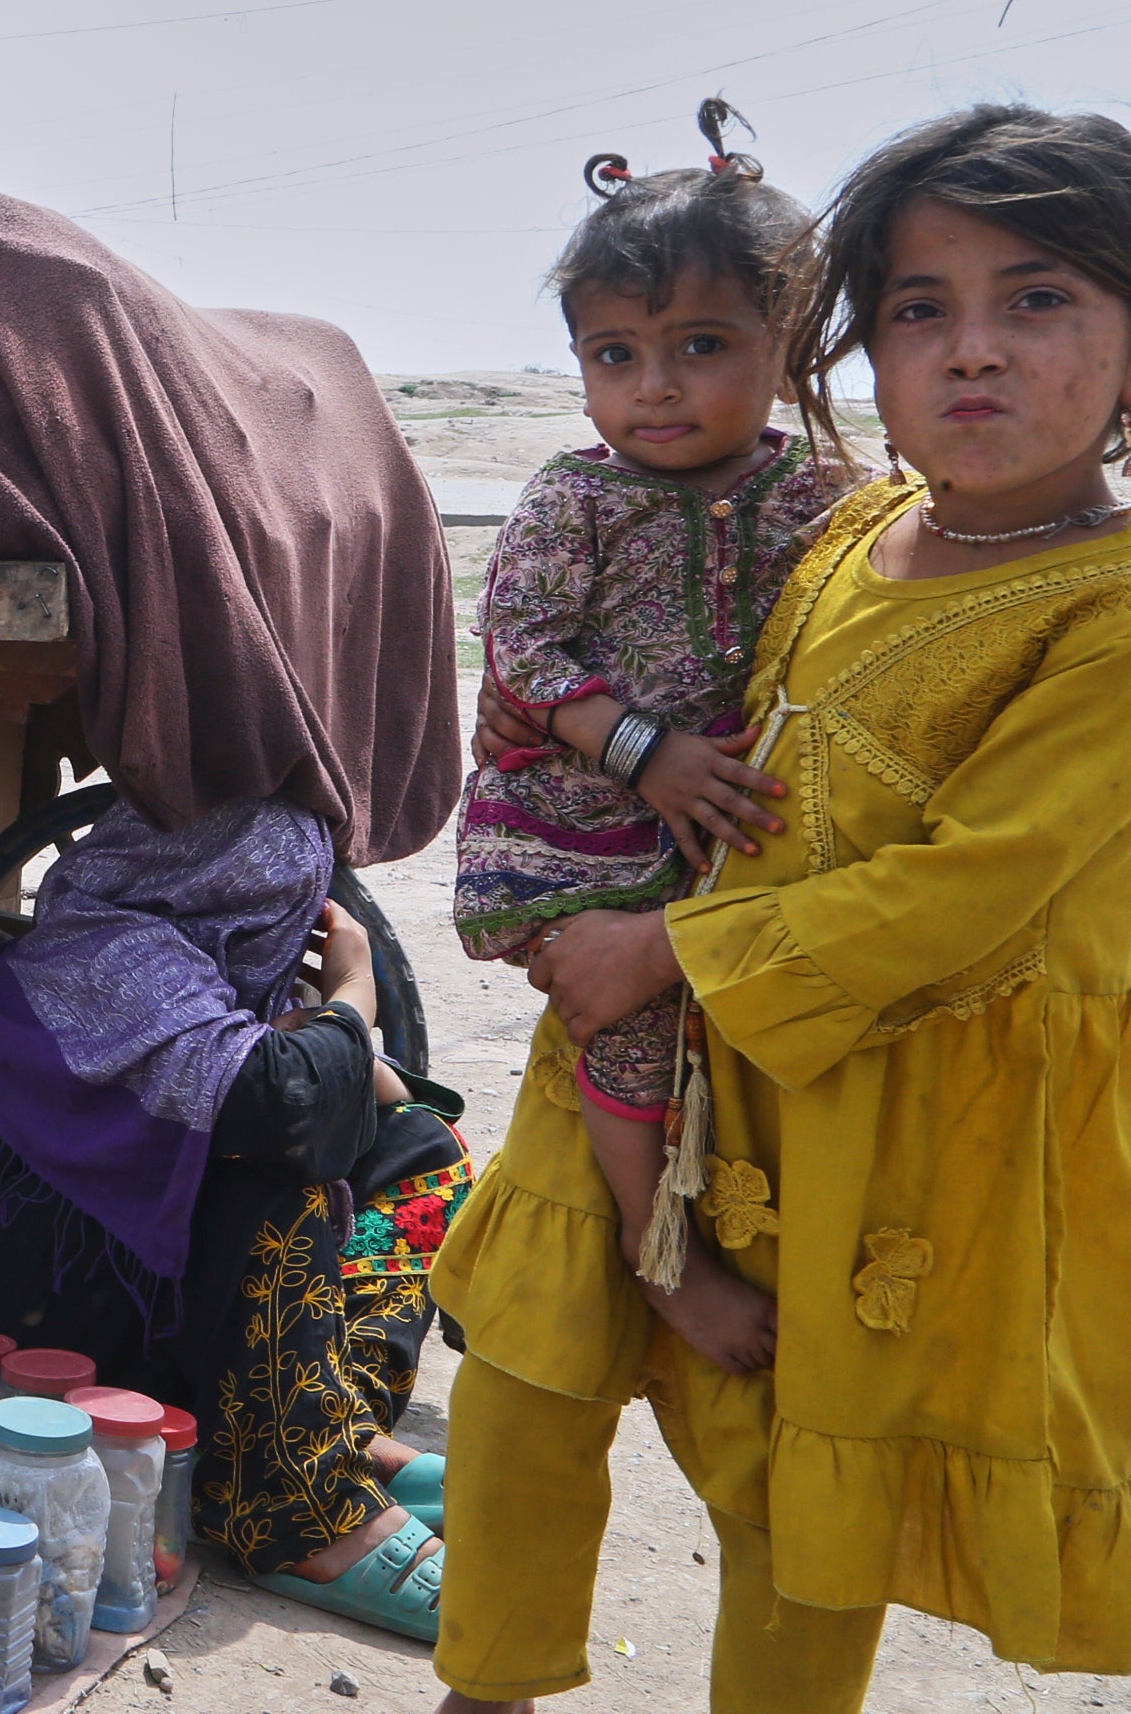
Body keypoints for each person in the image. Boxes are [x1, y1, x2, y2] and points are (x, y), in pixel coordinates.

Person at [431, 103, 1131, 1712]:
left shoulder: (1102, 604)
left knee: (795, 1495)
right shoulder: (860, 527)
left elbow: (967, 890)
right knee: (525, 1380)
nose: (971, 352)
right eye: (917, 308)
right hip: (642, 1034)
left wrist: (656, 942)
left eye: (1036, 299)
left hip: (868, 1105)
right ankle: (483, 1687)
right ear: (862, 351)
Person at [0, 795, 470, 1642]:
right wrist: (350, 991)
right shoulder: (106, 954)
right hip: (0, 1303)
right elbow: (286, 1106)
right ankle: (305, 1515)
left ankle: (330, 1436)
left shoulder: (203, 974)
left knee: (421, 1150)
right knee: (267, 1188)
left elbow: (370, 1104)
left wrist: (337, 1043)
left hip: (117, 1292)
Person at [450, 115, 852, 1372]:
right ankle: (655, 1254)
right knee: (627, 1035)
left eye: (701, 346)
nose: (656, 386)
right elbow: (521, 650)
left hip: (732, 832)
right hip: (580, 840)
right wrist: (643, 751)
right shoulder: (576, 496)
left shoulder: (826, 491)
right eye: (615, 354)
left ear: (787, 351)